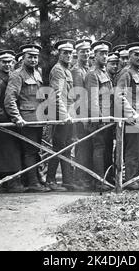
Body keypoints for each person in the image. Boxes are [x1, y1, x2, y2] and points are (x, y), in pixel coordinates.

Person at [4, 44, 50, 192]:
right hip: (26, 120)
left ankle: (37, 179)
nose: (33, 60)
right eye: (30, 57)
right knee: (29, 151)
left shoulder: (38, 73)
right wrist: (17, 118)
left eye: (35, 57)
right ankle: (33, 183)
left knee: (36, 151)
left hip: (38, 119)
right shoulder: (17, 75)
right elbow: (9, 99)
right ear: (23, 58)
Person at [0, 50, 25, 192]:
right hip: (2, 125)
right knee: (6, 154)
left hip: (9, 123)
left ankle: (9, 182)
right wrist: (6, 117)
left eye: (10, 62)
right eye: (4, 62)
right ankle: (9, 184)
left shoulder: (11, 77)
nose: (8, 65)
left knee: (10, 153)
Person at [116, 42, 139, 190]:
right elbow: (119, 96)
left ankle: (135, 178)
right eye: (136, 55)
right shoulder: (126, 73)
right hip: (132, 120)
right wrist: (132, 114)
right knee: (132, 151)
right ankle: (130, 181)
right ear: (129, 56)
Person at [46, 39, 77, 191]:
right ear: (59, 54)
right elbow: (57, 95)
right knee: (58, 148)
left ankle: (67, 181)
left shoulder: (67, 70)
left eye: (70, 53)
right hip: (60, 116)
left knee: (65, 148)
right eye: (65, 53)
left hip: (67, 115)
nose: (68, 55)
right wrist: (65, 115)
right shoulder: (58, 70)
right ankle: (50, 180)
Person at [84, 40, 114, 191]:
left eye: (106, 53)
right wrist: (100, 119)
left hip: (107, 117)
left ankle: (106, 178)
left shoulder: (104, 72)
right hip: (98, 120)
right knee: (99, 149)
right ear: (94, 55)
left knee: (106, 149)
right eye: (101, 53)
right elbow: (93, 100)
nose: (105, 56)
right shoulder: (92, 74)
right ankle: (98, 181)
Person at [70, 38, 93, 190]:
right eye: (82, 51)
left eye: (87, 51)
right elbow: (79, 96)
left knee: (88, 145)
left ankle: (85, 176)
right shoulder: (77, 70)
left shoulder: (87, 68)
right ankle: (79, 178)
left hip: (88, 113)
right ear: (77, 53)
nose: (85, 54)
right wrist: (83, 116)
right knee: (82, 146)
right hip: (80, 114)